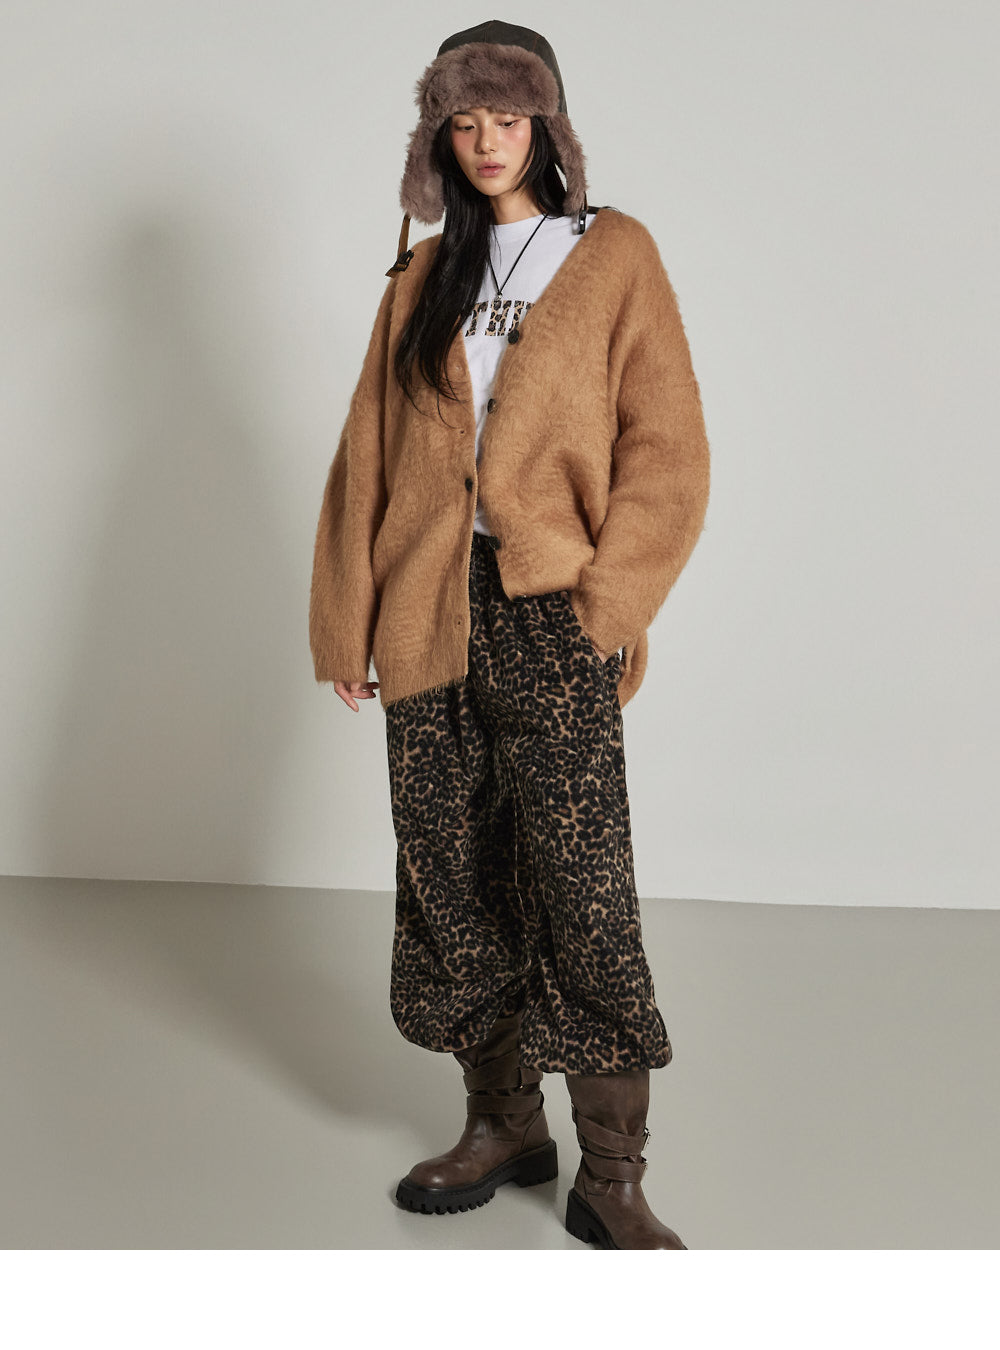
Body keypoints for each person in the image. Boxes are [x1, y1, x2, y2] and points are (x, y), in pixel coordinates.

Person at [309, 20, 710, 1250]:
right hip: (425, 608)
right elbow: (367, 452)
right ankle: (502, 1125)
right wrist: (345, 621)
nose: (487, 143)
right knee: (451, 873)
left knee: (581, 891)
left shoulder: (610, 253)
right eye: (464, 121)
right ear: (439, 136)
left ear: (549, 126)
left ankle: (613, 1174)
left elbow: (666, 450)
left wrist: (603, 609)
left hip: (549, 610)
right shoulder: (423, 273)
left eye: (510, 118)